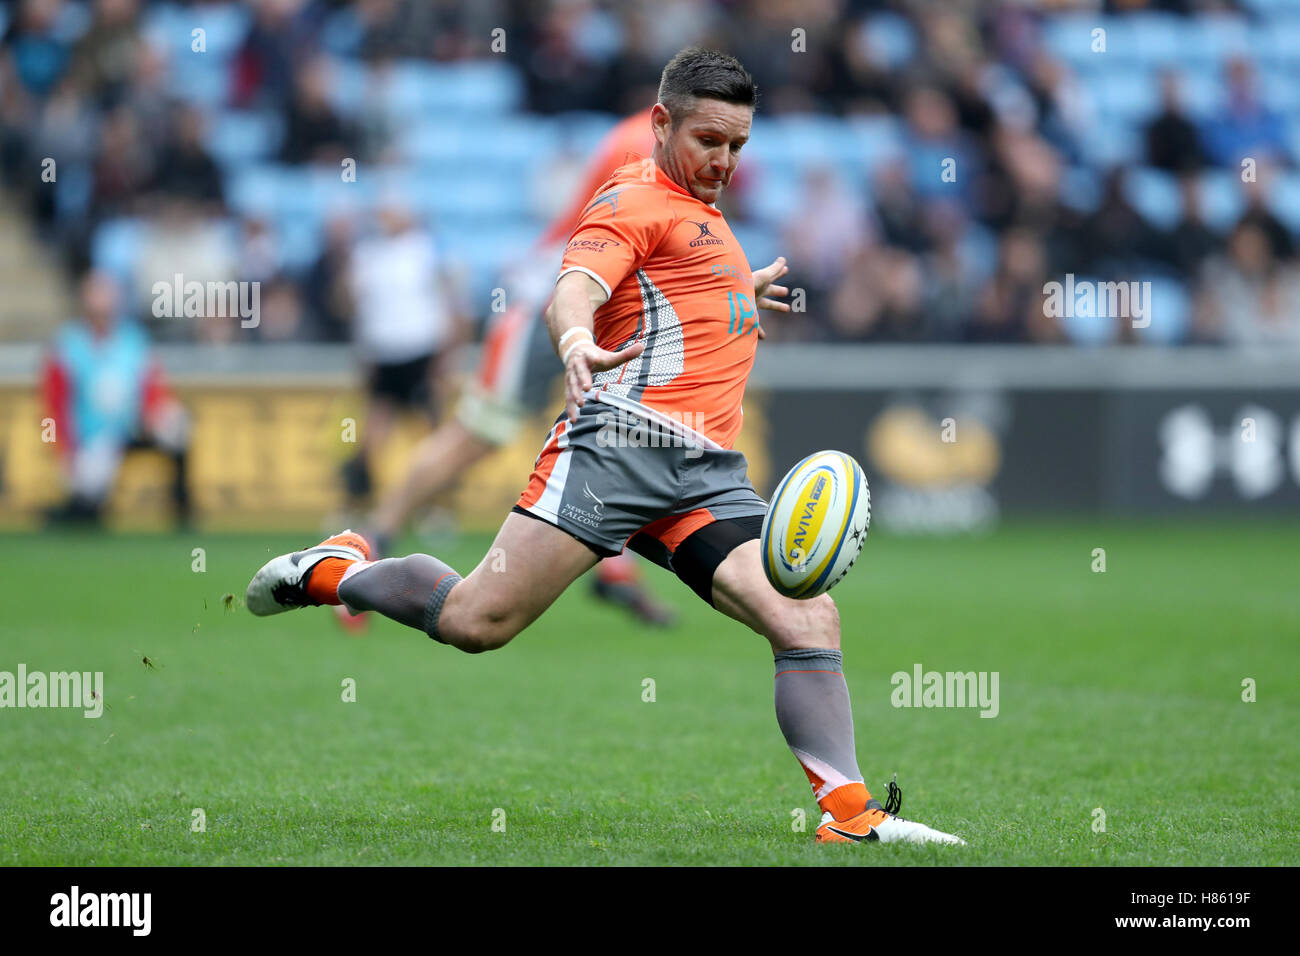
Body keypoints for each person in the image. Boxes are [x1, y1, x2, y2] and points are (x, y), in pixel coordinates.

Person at [246, 48, 964, 847]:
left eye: (738, 146)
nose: (724, 161)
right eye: (709, 141)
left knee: (806, 618)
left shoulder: (707, 216)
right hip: (614, 453)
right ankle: (340, 568)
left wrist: (738, 289)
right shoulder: (630, 198)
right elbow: (576, 286)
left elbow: (673, 286)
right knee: (478, 621)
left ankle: (851, 818)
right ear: (661, 124)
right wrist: (578, 339)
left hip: (704, 476)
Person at [358, 106, 675, 628]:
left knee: (623, 433)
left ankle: (613, 568)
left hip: (603, 305)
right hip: (549, 300)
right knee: (476, 437)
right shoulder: (644, 143)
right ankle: (374, 537)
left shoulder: (657, 138)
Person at [42, 270, 191, 526]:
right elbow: (54, 404)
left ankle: (181, 506)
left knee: (178, 425)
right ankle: (76, 511)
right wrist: (65, 449)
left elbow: (153, 384)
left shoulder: (133, 339)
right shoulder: (67, 345)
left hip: (135, 426)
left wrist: (153, 412)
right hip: (95, 437)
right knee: (87, 492)